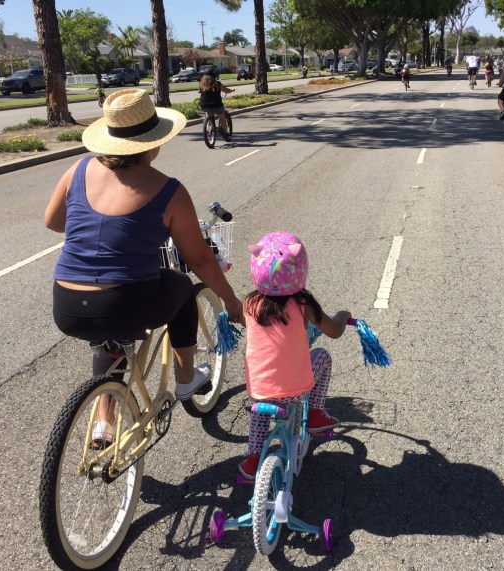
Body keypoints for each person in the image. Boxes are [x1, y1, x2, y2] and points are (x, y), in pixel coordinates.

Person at [45, 89, 243, 442]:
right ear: (154, 143)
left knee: (109, 340)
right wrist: (231, 302)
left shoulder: (78, 169)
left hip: (68, 303)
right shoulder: (168, 190)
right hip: (124, 301)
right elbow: (198, 259)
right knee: (182, 287)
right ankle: (186, 380)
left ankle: (104, 421)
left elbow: (54, 221)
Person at [237, 231, 351, 480]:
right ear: (300, 268)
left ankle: (253, 456)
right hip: (296, 390)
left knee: (260, 410)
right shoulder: (303, 303)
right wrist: (342, 316)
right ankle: (317, 413)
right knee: (322, 356)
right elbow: (333, 332)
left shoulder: (249, 304)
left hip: (258, 390)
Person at [198, 71, 234, 141]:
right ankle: (226, 134)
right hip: (216, 105)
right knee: (222, 117)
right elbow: (226, 90)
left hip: (204, 105)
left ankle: (209, 130)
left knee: (208, 113)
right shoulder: (217, 83)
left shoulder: (201, 83)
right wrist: (231, 90)